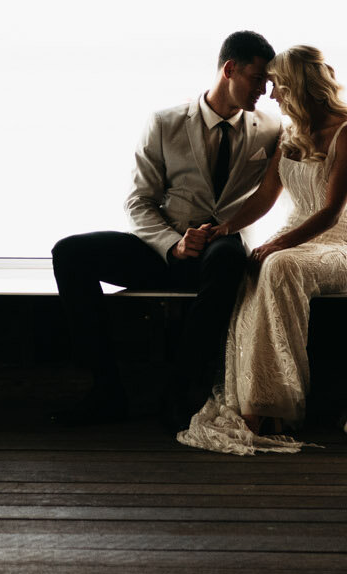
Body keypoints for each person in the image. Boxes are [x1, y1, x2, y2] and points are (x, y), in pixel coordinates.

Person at [47, 30, 284, 425]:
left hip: (221, 252)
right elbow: (139, 201)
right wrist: (174, 244)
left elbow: (278, 185)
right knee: (69, 252)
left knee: (227, 256)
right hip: (165, 249)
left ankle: (179, 393)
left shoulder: (270, 128)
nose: (264, 89)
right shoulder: (165, 123)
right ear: (229, 69)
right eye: (257, 78)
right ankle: (106, 390)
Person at [177, 44, 347, 456]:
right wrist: (225, 227)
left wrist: (277, 243)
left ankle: (276, 405)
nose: (271, 96)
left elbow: (332, 213)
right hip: (294, 237)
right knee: (253, 268)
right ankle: (249, 400)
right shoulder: (292, 134)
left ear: (297, 86)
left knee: (278, 263)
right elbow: (266, 195)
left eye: (277, 86)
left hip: (339, 243)